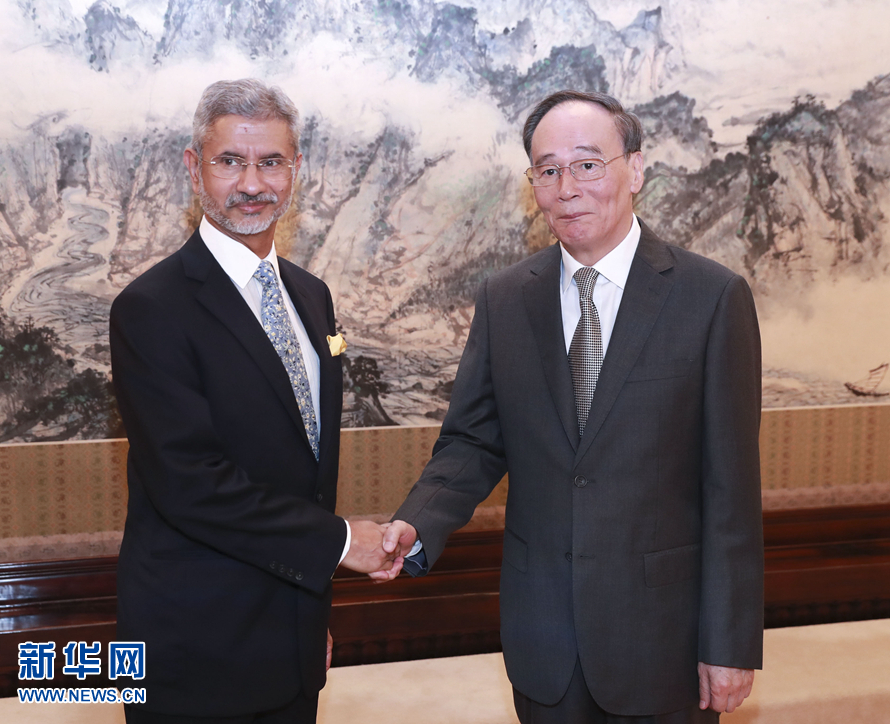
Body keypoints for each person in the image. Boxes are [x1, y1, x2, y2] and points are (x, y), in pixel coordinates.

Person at [381, 90, 764, 723]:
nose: (567, 188)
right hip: (543, 640)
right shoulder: (506, 299)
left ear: (634, 169)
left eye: (587, 164)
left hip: (663, 643)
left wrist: (728, 642)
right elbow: (473, 441)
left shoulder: (712, 298)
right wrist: (418, 523)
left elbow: (732, 491)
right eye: (548, 170)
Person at [109, 79, 403, 723]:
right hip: (192, 651)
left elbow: (301, 470)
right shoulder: (150, 308)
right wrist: (341, 542)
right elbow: (191, 485)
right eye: (229, 161)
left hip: (292, 639)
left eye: (270, 161)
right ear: (194, 169)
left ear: (296, 169)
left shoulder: (311, 296)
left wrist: (307, 617)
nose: (251, 183)